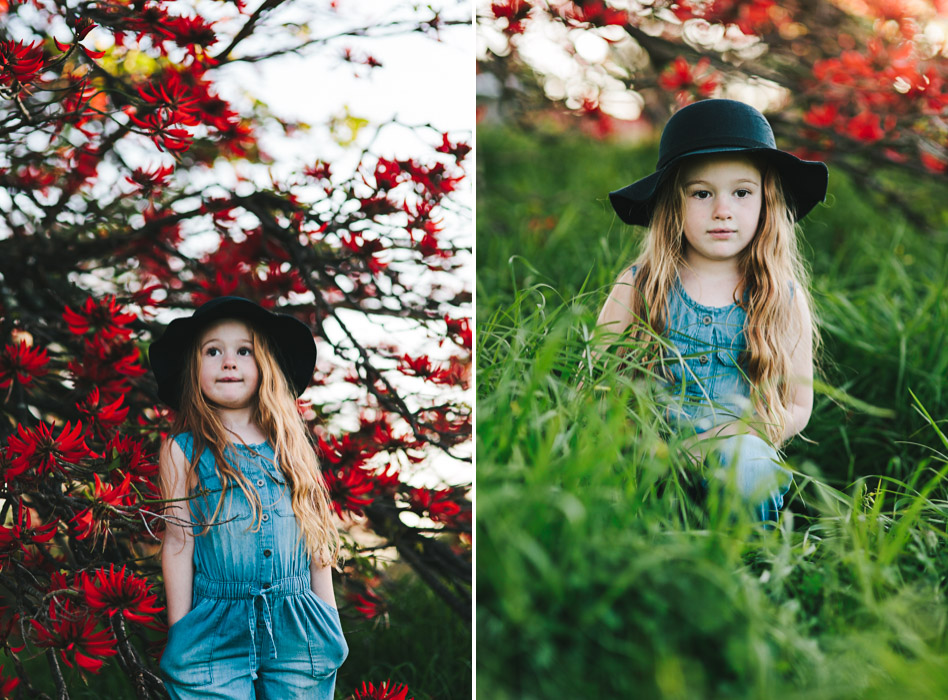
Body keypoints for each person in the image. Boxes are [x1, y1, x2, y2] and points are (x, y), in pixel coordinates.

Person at [598, 98, 828, 523]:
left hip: (737, 451)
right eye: (702, 193)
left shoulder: (780, 296)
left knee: (749, 468)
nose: (723, 210)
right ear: (673, 202)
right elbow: (596, 380)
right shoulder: (641, 285)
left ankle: (742, 560)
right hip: (649, 450)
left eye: (741, 192)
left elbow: (798, 404)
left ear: (766, 200)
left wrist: (736, 435)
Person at [149, 296, 348, 699]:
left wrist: (328, 619)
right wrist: (182, 630)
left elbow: (317, 537)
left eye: (244, 350)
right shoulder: (182, 451)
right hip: (215, 627)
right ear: (194, 367)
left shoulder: (289, 445)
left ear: (264, 367)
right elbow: (178, 542)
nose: (228, 362)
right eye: (213, 351)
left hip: (297, 622)